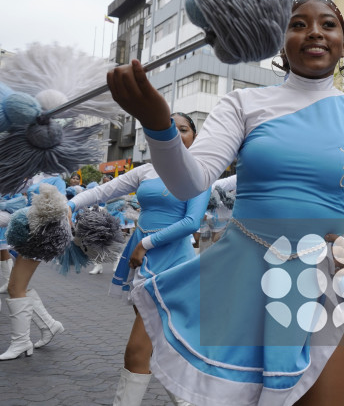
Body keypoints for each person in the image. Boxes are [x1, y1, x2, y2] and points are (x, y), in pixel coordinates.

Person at [105, 0, 344, 406]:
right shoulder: (244, 104)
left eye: (327, 24)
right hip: (240, 275)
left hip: (321, 284)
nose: (314, 33)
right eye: (298, 24)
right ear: (280, 39)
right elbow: (189, 183)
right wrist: (157, 125)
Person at [67, 112, 209, 406]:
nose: (177, 134)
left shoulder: (201, 171)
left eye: (183, 129)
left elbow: (192, 221)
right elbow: (106, 190)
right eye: (169, 128)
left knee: (136, 350)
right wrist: (70, 203)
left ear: (194, 137)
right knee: (157, 343)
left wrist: (145, 242)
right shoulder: (146, 170)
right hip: (140, 260)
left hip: (170, 262)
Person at [0, 174, 68, 360]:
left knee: (15, 287)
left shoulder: (56, 179)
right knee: (17, 287)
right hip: (29, 231)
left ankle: (21, 342)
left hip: (41, 235)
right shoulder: (33, 175)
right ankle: (48, 325)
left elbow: (62, 209)